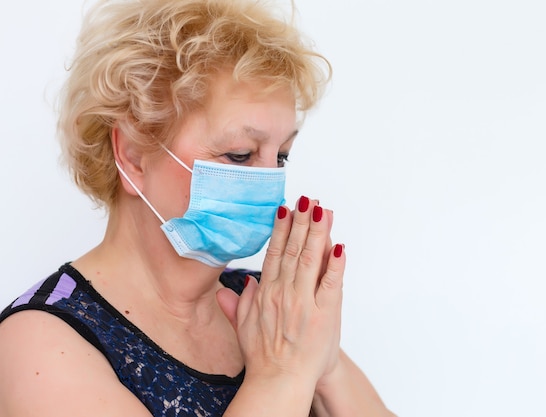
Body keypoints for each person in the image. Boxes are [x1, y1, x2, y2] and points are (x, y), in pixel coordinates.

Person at [0, 0, 395, 416]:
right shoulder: (38, 344)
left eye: (280, 156)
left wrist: (325, 361)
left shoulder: (270, 307)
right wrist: (284, 373)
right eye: (240, 155)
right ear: (134, 155)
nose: (268, 180)